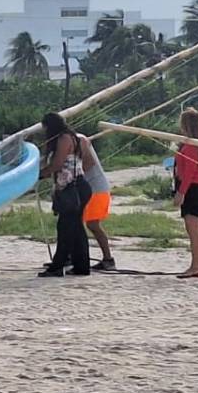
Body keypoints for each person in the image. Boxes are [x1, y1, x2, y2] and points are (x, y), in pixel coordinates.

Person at [38, 112, 92, 277]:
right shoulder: (78, 138)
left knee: (65, 229)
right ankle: (81, 265)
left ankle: (57, 266)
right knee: (77, 229)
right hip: (81, 185)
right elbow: (89, 162)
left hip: (70, 188)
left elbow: (57, 164)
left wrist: (40, 174)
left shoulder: (63, 139)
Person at [173, 107, 198, 279]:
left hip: (193, 189)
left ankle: (196, 266)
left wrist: (181, 192)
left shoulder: (191, 146)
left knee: (194, 229)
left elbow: (188, 173)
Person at [79, 133, 116, 270]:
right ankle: (70, 255)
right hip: (88, 188)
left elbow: (87, 163)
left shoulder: (79, 139)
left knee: (93, 224)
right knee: (73, 223)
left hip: (96, 188)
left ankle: (108, 259)